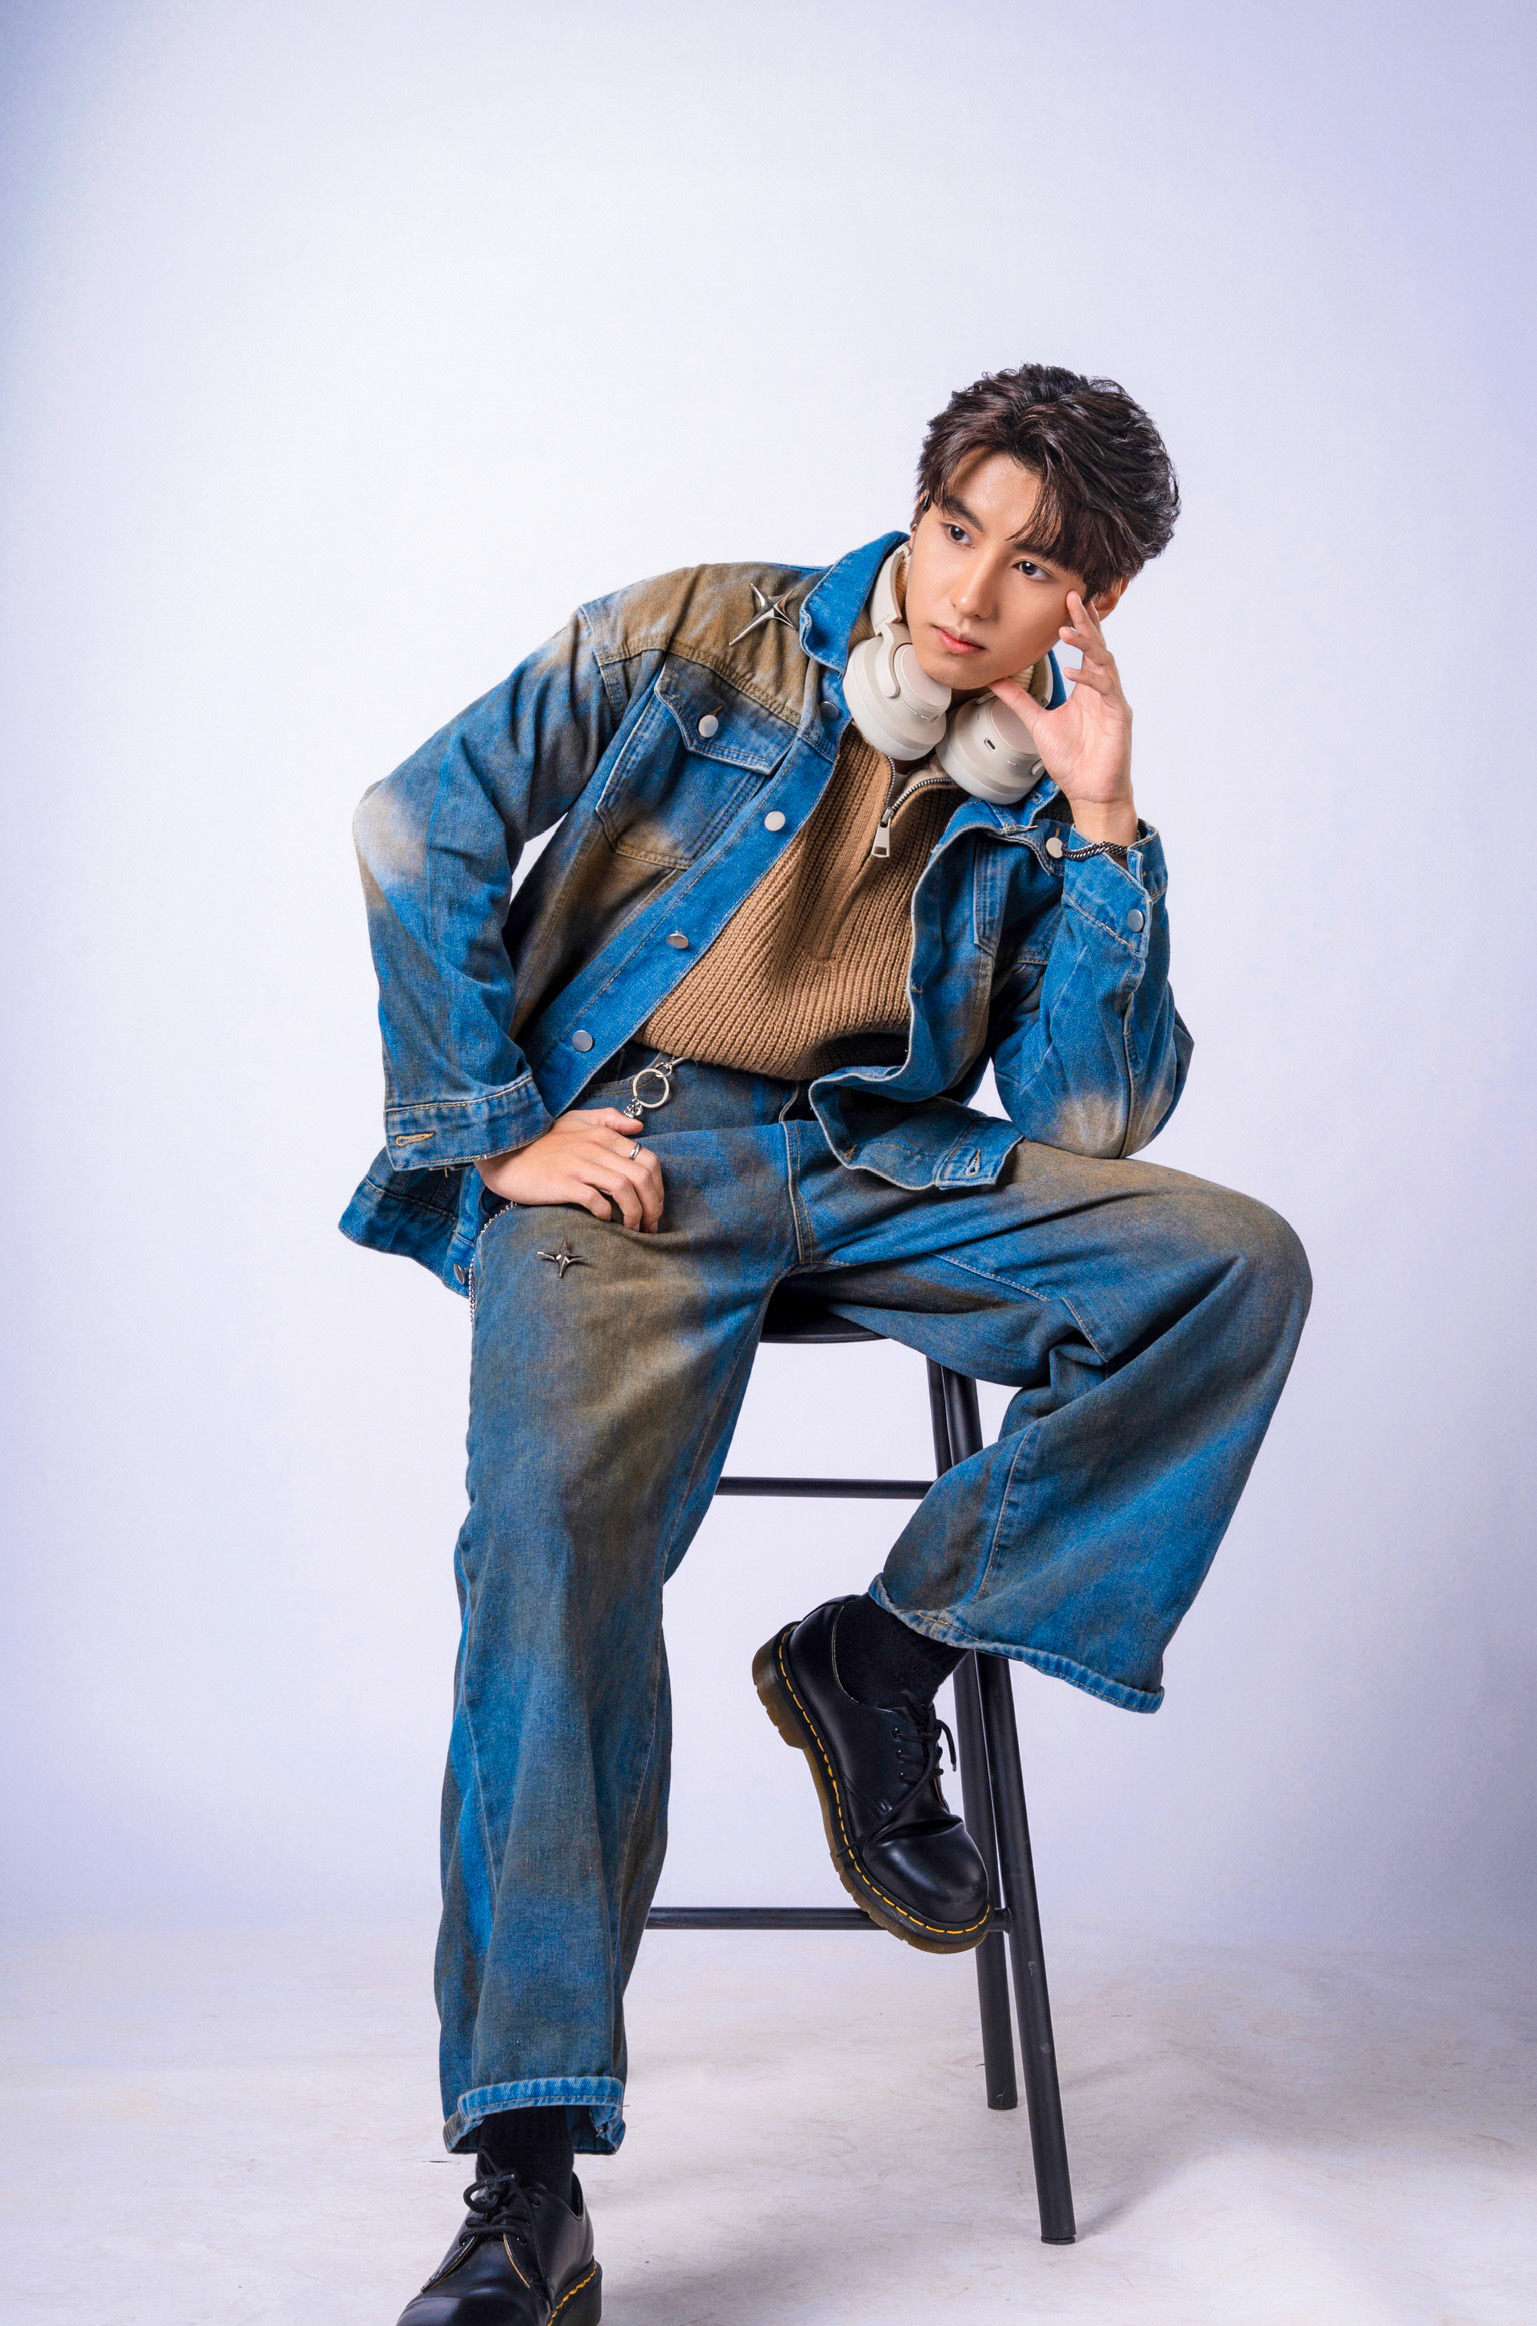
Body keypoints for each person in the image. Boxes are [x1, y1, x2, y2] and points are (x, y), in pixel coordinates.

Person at [343, 363, 1311, 2324]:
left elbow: (1088, 1120)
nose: (968, 591)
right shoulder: (699, 632)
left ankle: (880, 1656)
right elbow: (412, 821)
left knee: (1228, 1267)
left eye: (1032, 567)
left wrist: (1102, 821)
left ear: (1093, 602)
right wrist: (494, 1127)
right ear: (918, 509)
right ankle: (525, 2180)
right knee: (548, 1549)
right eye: (957, 529)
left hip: (877, 1160)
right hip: (633, 1159)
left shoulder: (1038, 784)